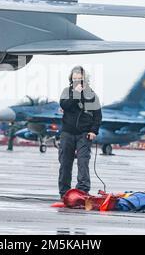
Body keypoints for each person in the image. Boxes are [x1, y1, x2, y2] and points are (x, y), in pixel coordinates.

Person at [58, 66, 102, 199]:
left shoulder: (91, 95)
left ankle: (82, 191)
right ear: (71, 79)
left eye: (80, 79)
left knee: (83, 162)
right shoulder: (67, 92)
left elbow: (97, 116)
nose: (77, 81)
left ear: (85, 79)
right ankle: (64, 192)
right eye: (75, 78)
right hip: (67, 133)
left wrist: (94, 131)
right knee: (65, 162)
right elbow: (64, 105)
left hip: (84, 134)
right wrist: (76, 95)